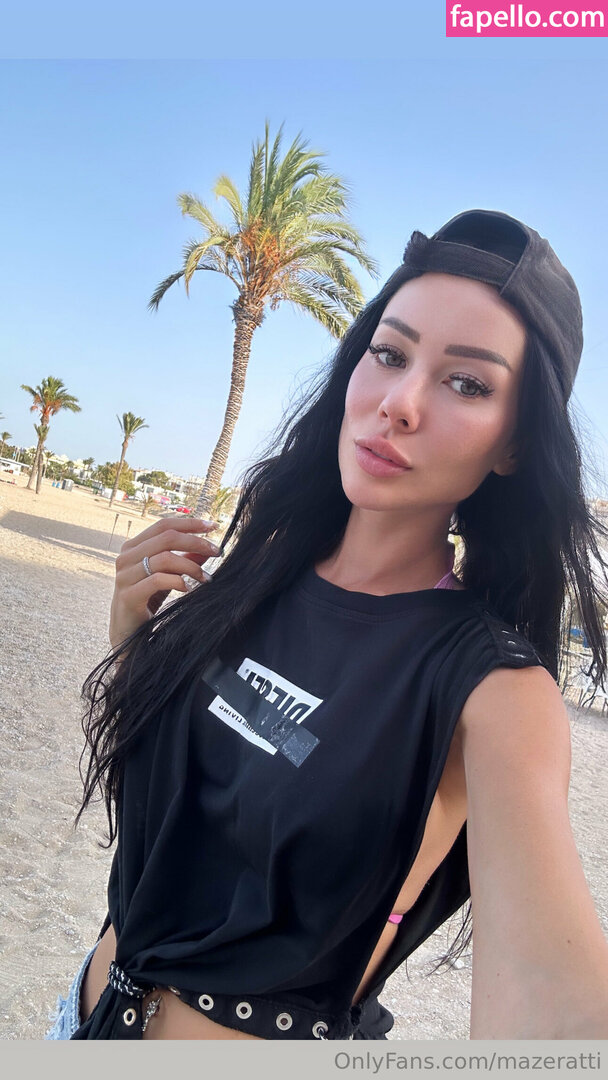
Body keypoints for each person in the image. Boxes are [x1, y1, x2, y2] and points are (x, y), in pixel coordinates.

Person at [45, 209, 608, 1041]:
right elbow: (175, 818)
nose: (400, 404)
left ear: (514, 447)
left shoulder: (493, 690)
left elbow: (555, 1004)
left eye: (467, 383)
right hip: (79, 1020)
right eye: (391, 354)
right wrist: (134, 636)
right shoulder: (256, 577)